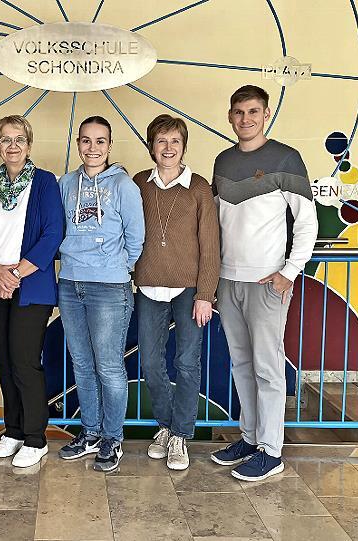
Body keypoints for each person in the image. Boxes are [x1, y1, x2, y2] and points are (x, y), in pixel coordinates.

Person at [210, 85, 317, 481]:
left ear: (266, 114)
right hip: (228, 280)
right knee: (241, 364)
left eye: (253, 111)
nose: (246, 119)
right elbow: (216, 224)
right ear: (230, 116)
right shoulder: (222, 161)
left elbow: (306, 221)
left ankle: (271, 451)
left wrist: (289, 272)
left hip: (267, 282)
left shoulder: (286, 158)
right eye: (239, 112)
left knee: (268, 367)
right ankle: (251, 438)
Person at [0, 115, 64, 468]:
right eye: (5, 140)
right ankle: (12, 431)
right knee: (5, 363)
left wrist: (15, 275)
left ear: (29, 144)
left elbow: (53, 234)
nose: (12, 146)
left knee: (25, 362)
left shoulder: (44, 182)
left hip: (31, 287)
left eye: (19, 139)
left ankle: (36, 438)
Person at [57, 116, 145, 472]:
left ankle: (112, 437)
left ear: (109, 145)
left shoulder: (124, 185)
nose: (92, 148)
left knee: (108, 366)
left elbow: (136, 238)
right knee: (82, 363)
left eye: (100, 141)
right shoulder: (66, 183)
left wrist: (116, 267)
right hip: (70, 283)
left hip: (109, 287)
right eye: (86, 140)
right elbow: (59, 228)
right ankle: (90, 432)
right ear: (78, 143)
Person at [133, 114, 220, 471]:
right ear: (151, 146)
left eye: (175, 142)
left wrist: (205, 294)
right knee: (151, 363)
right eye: (161, 141)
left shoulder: (198, 188)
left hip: (189, 289)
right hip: (148, 286)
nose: (168, 148)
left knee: (186, 362)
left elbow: (210, 246)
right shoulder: (139, 183)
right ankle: (166, 427)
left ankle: (181, 434)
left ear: (183, 147)